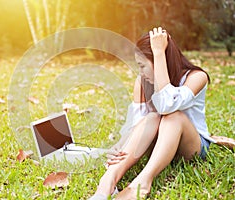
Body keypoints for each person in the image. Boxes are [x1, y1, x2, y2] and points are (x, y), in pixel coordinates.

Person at [89, 27, 216, 200]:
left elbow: (167, 105)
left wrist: (158, 53)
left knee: (173, 117)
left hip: (191, 147)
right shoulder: (142, 82)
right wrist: (120, 145)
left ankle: (142, 183)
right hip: (158, 146)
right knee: (152, 117)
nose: (140, 72)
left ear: (160, 60)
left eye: (142, 66)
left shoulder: (196, 77)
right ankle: (107, 183)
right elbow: (136, 124)